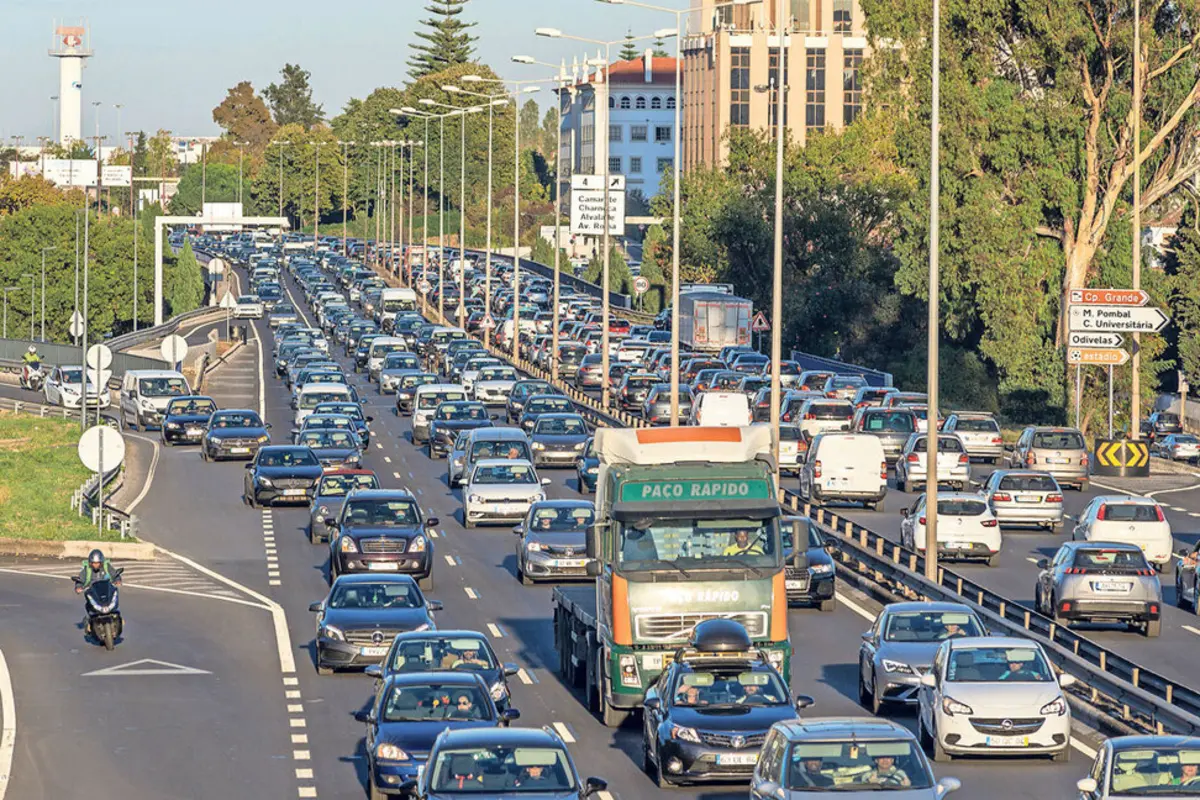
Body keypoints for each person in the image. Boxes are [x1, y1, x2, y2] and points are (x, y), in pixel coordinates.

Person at [76, 549, 120, 626]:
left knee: (114, 597)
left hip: (106, 590)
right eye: (94, 563)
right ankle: (90, 621)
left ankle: (118, 619)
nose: (95, 565)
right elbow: (80, 580)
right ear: (90, 563)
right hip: (93, 591)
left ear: (101, 562)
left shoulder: (106, 567)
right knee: (88, 604)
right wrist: (79, 587)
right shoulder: (87, 570)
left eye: (97, 563)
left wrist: (118, 580)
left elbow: (115, 574)